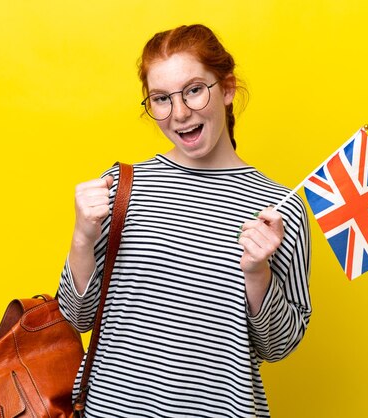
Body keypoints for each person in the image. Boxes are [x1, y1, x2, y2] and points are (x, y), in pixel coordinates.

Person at [58, 24, 311, 417]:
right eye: (160, 98)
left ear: (226, 89)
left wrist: (257, 274)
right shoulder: (124, 188)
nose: (179, 113)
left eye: (194, 89)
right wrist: (81, 237)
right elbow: (76, 317)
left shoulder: (280, 207)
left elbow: (278, 347)